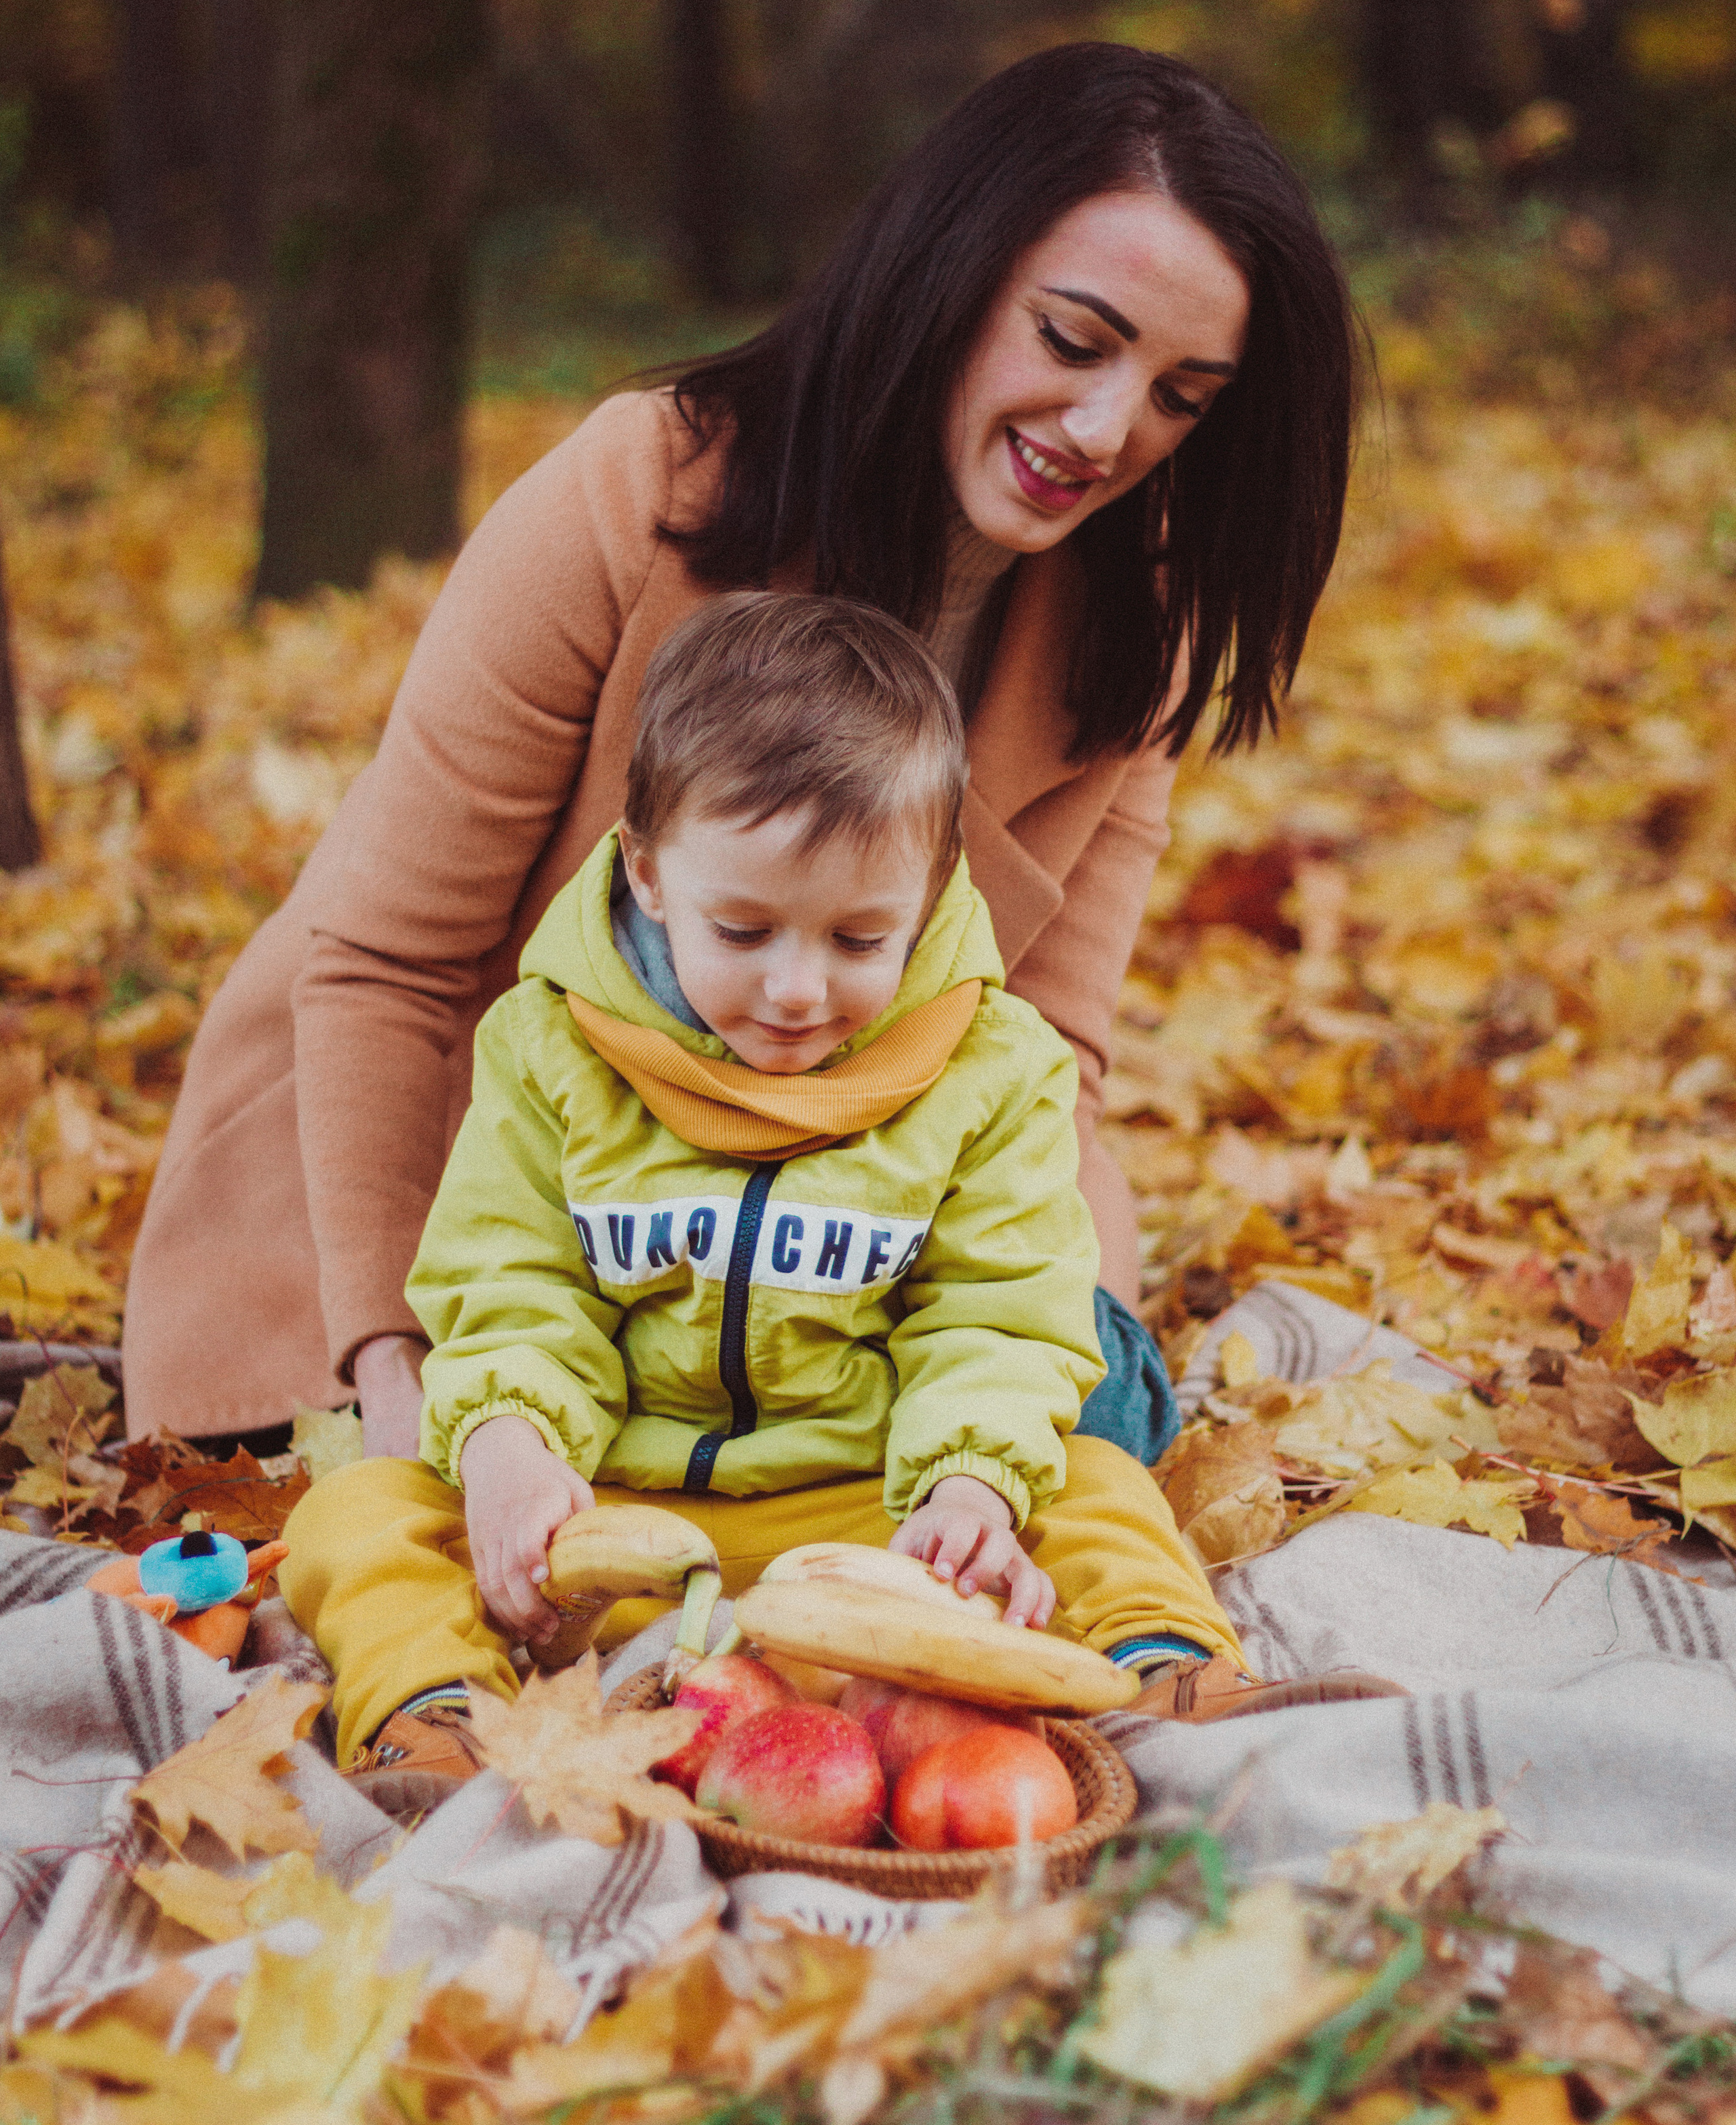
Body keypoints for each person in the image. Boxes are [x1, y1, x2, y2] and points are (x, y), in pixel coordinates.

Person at [121, 41, 1356, 1460]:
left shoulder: (1130, 644)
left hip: (795, 1276)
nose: (1103, 429)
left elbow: (1039, 1061)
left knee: (1086, 1416)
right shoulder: (635, 493)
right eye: (1073, 342)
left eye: (1178, 396)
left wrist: (1052, 1388)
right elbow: (389, 967)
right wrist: (400, 1361)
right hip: (453, 1210)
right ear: (946, 274)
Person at [282, 597, 1392, 1785]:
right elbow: (511, 1275)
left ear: (931, 895)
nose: (799, 990)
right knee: (358, 1515)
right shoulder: (547, 1048)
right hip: (609, 1509)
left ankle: (1169, 1668)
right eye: (746, 930)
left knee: (1096, 1482)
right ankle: (433, 1716)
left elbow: (1002, 1308)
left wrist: (969, 1481)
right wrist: (511, 1443)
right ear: (651, 876)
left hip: (876, 1509)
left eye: (861, 941)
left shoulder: (991, 1071)